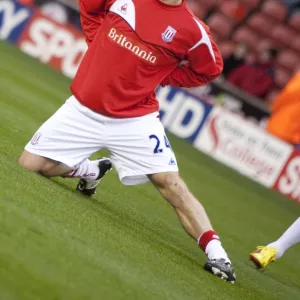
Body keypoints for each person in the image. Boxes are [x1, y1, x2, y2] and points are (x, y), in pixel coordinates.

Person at [18, 0, 236, 283]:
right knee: (29, 164)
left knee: (170, 183)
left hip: (135, 120)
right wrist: (97, 37)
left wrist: (167, 76)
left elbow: (210, 69)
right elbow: (89, 6)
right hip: (82, 109)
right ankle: (91, 171)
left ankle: (218, 255)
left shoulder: (194, 31)